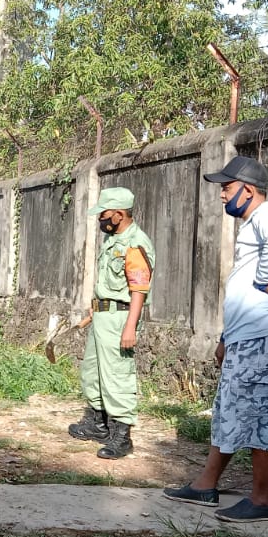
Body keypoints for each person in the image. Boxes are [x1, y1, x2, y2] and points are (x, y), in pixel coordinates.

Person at [163, 155, 268, 523]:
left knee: (262, 416)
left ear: (248, 190)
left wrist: (267, 281)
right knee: (231, 410)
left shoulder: (267, 216)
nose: (222, 195)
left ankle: (260, 501)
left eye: (226, 187)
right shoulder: (253, 222)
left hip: (265, 337)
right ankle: (205, 484)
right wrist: (227, 336)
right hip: (247, 335)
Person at [66, 187, 155, 460]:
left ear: (118, 214)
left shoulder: (134, 243)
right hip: (103, 315)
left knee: (116, 374)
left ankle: (121, 436)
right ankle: (98, 423)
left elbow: (139, 289)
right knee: (93, 372)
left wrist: (130, 326)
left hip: (120, 318)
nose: (100, 219)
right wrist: (96, 312)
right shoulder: (113, 239)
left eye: (104, 214)